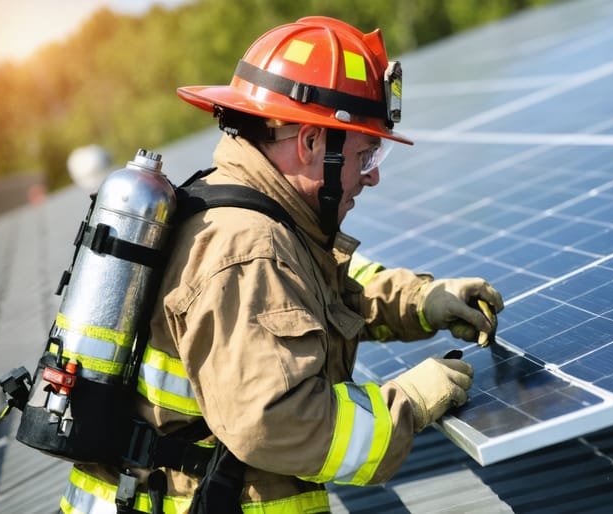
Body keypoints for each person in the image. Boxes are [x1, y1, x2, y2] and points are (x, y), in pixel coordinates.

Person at [59, 16, 503, 514]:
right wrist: (408, 405)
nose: (371, 177)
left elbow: (321, 294)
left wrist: (421, 301)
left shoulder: (250, 214)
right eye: (365, 153)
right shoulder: (248, 248)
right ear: (311, 142)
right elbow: (276, 422)